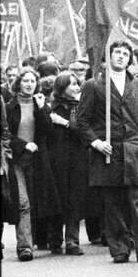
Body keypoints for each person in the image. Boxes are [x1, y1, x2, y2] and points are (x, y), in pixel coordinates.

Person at [73, 41, 138, 264]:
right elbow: (82, 122)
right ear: (108, 57)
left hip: (133, 150)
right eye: (117, 52)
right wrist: (96, 143)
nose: (121, 56)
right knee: (113, 203)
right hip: (107, 151)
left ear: (130, 59)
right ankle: (120, 249)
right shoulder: (93, 85)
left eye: (125, 54)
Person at [6, 68, 62, 259]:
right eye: (25, 81)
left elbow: (47, 130)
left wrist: (40, 108)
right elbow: (5, 134)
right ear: (18, 83)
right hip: (16, 160)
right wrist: (23, 145)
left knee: (40, 200)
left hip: (37, 160)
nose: (29, 84)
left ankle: (48, 239)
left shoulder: (40, 104)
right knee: (23, 202)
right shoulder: (10, 106)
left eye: (32, 81)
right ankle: (24, 247)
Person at [47, 71, 88, 255]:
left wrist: (63, 123)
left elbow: (83, 131)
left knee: (74, 199)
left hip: (77, 158)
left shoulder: (80, 107)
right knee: (58, 198)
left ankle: (72, 241)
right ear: (62, 87)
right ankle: (55, 239)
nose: (76, 87)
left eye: (77, 83)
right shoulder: (51, 107)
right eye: (72, 84)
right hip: (57, 159)